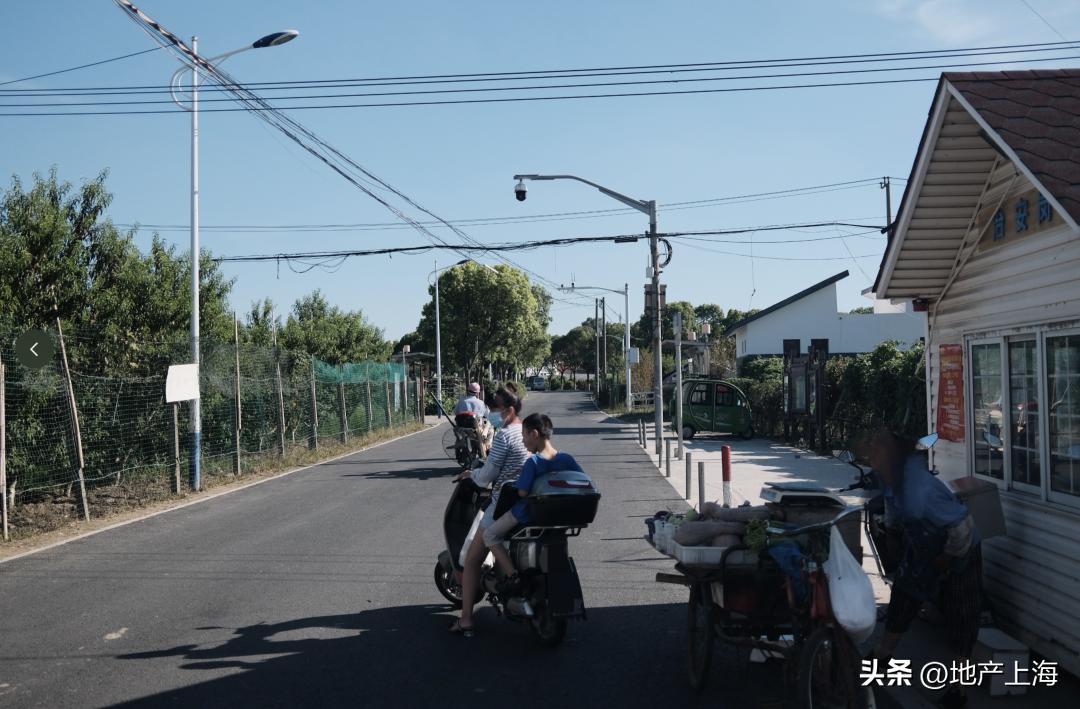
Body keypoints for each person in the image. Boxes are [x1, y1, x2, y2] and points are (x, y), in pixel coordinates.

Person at [866, 429, 981, 709]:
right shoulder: (890, 478)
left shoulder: (920, 487)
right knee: (903, 598)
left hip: (959, 548)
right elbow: (893, 509)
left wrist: (948, 556)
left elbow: (961, 526)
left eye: (878, 453)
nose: (872, 458)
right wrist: (892, 530)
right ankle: (880, 660)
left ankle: (958, 691)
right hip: (922, 546)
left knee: (961, 620)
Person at [448, 384, 528, 637]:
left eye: (495, 407)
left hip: (504, 504)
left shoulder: (505, 435)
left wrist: (472, 473)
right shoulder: (529, 431)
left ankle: (467, 620)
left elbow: (487, 477)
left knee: (471, 560)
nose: (491, 411)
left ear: (510, 410)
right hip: (529, 503)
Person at [482, 413, 581, 588]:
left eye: (524, 436)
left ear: (534, 434)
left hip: (527, 514)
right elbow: (581, 480)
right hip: (557, 515)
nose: (523, 441)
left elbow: (522, 492)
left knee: (489, 535)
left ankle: (513, 576)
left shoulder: (533, 462)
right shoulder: (567, 459)